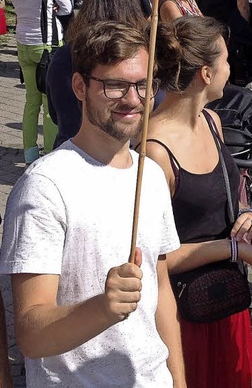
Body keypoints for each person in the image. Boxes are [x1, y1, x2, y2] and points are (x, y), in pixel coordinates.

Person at [0, 21, 186, 388]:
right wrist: (102, 307)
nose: (132, 99)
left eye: (143, 85)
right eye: (115, 84)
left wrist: (178, 380)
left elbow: (161, 292)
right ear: (80, 87)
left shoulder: (149, 175)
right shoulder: (45, 187)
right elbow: (32, 335)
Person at [147, 16, 252, 388]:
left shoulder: (212, 121)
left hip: (226, 301)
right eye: (225, 60)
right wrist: (231, 249)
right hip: (181, 314)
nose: (230, 68)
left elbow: (230, 198)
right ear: (206, 73)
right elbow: (151, 258)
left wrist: (248, 217)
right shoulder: (154, 152)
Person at [47, 0, 149, 148]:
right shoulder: (136, 63)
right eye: (115, 84)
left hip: (73, 146)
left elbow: (54, 112)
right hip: (98, 152)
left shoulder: (63, 55)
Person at [8, 0, 72, 164]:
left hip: (23, 42)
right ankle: (49, 154)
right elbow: (67, 6)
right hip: (46, 45)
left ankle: (29, 152)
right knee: (49, 104)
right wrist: (51, 7)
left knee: (31, 101)